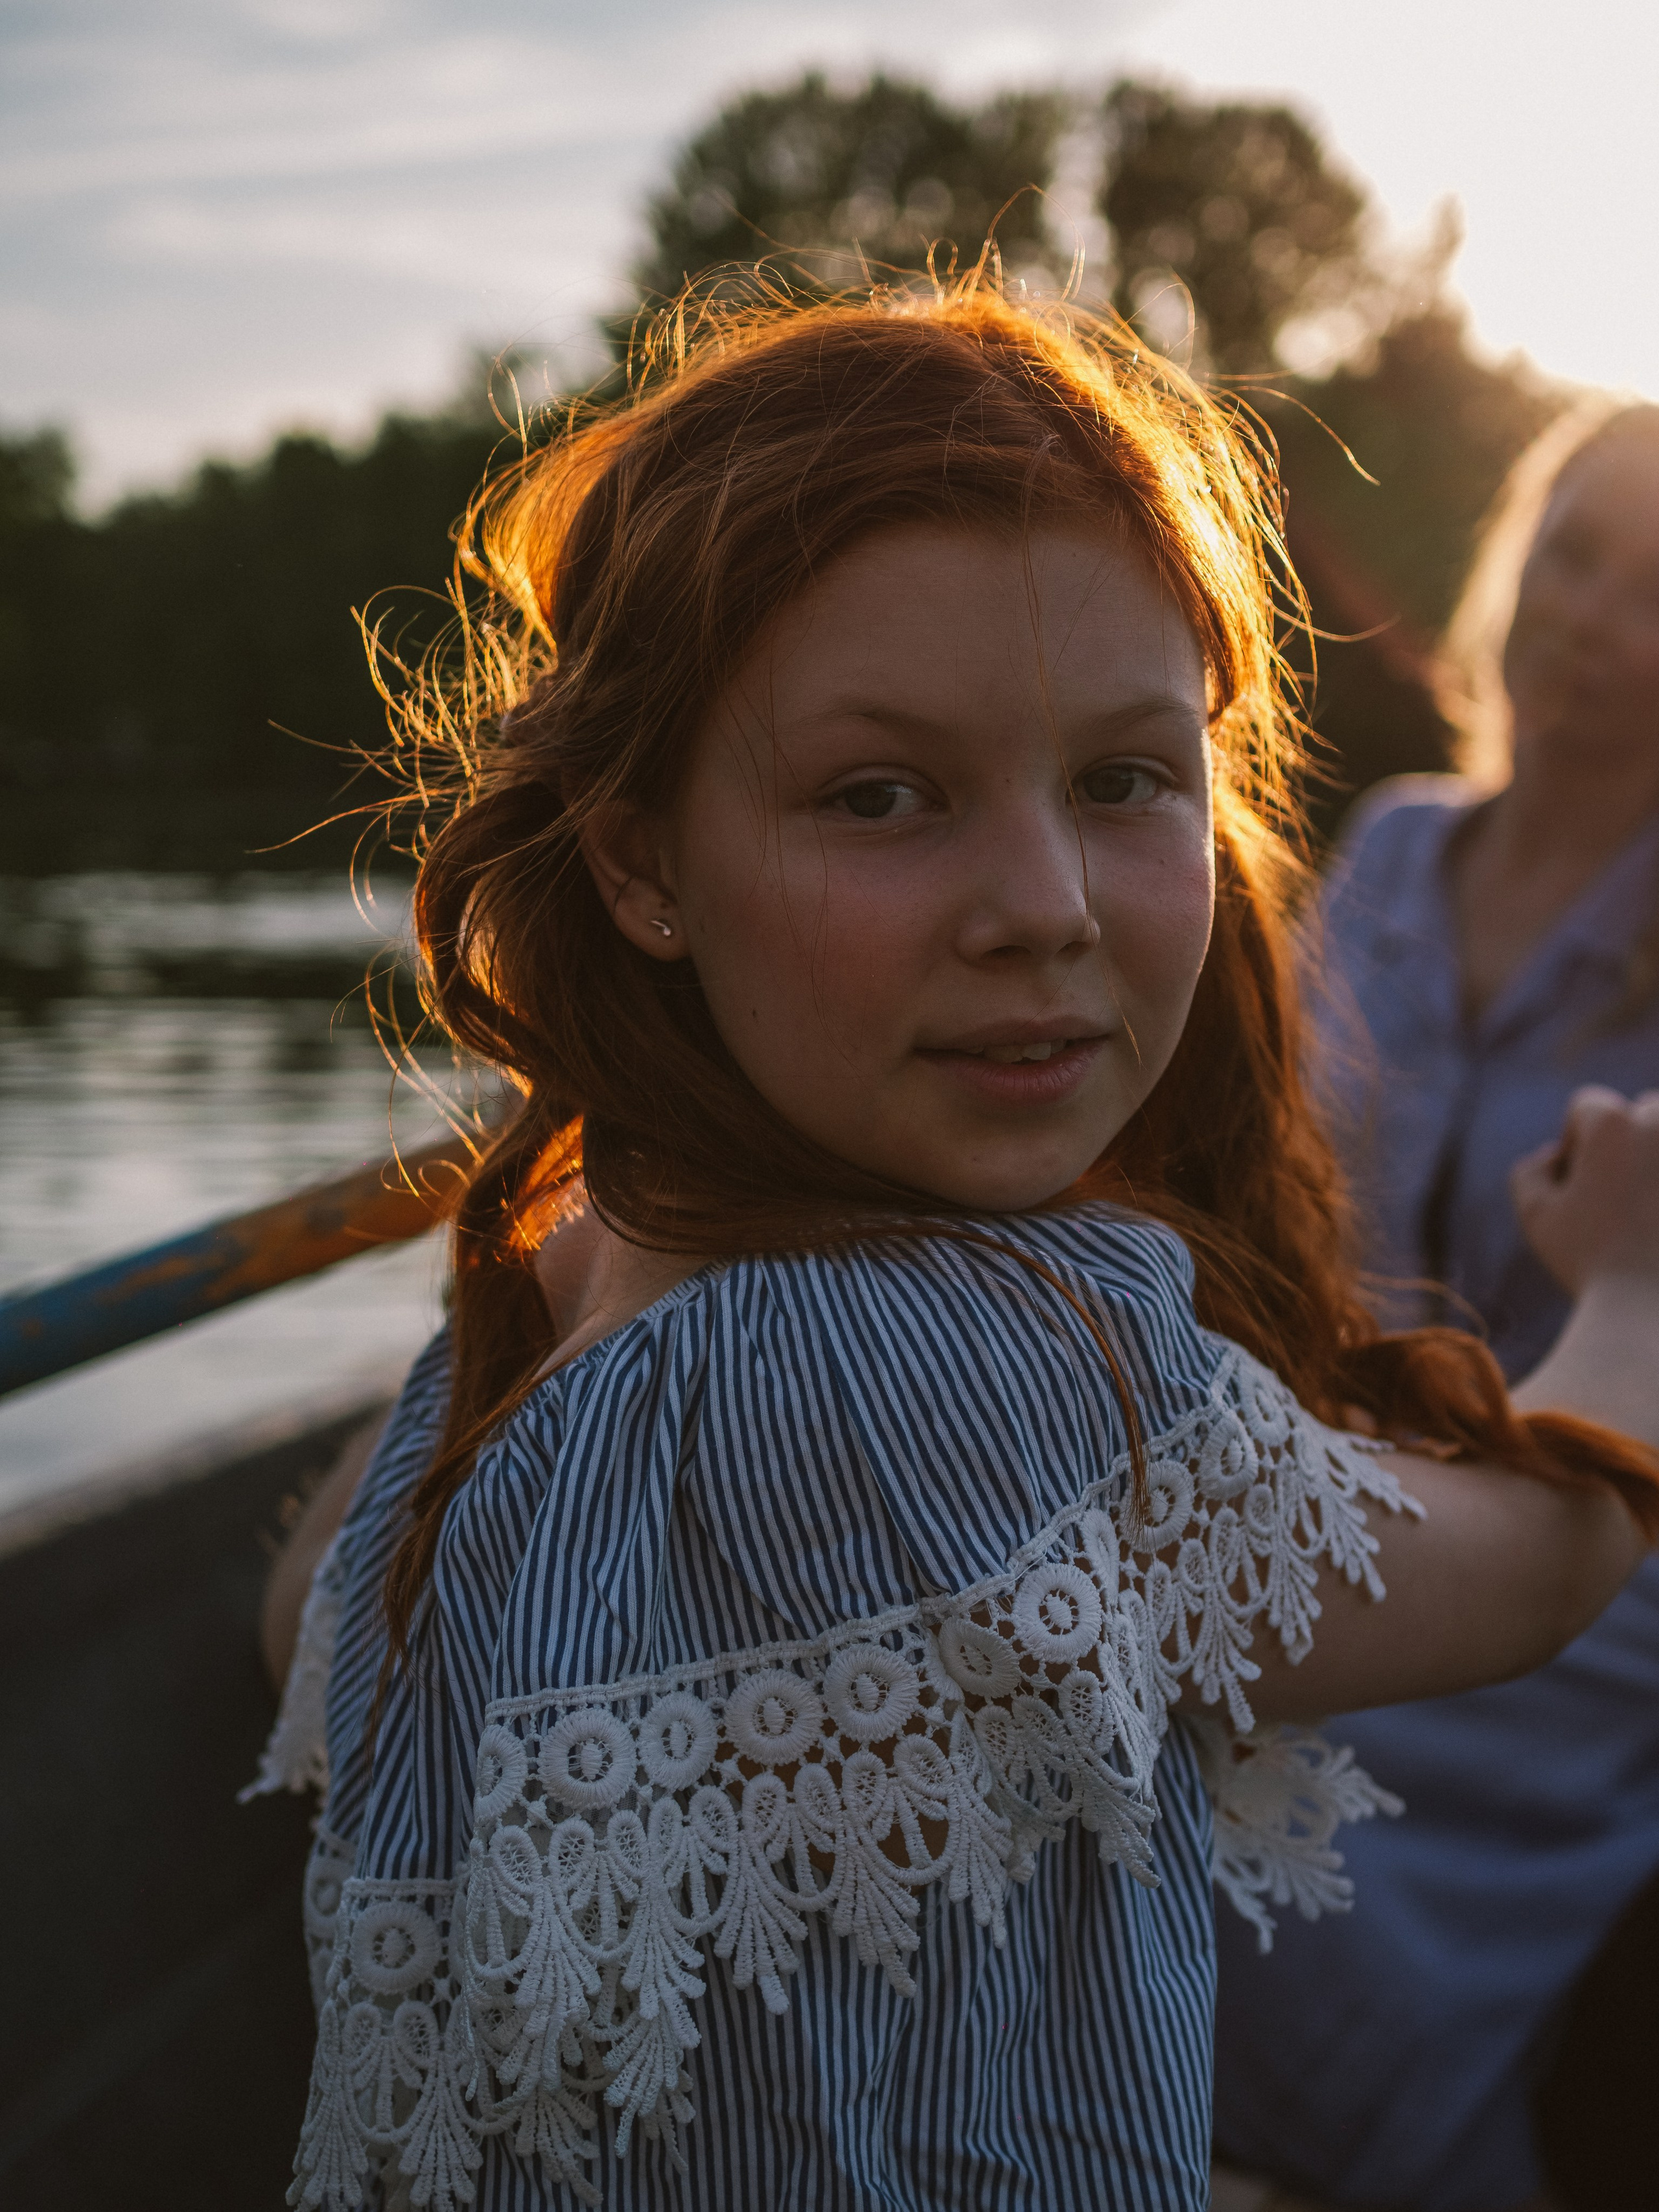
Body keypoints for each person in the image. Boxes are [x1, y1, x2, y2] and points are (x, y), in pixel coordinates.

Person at [260, 292, 1659, 2212]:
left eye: (1120, 781)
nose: (1045, 908)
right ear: (638, 858)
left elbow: (308, 1647)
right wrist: (1641, 1298)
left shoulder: (552, 1292)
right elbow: (1534, 1569)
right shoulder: (1002, 1361)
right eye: (880, 795)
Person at [1212, 400, 1659, 2212]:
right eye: (1574, 559)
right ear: (1512, 567)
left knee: (1272, 1799)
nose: (1595, 622)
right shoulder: (1391, 852)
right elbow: (1252, 1184)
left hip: (1608, 1525)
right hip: (1340, 1472)